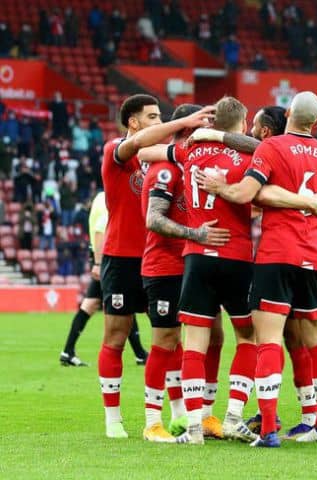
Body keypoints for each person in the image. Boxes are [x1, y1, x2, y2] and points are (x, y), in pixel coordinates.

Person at [149, 96, 317, 445]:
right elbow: (267, 153)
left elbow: (144, 153)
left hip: (197, 256)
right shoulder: (252, 154)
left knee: (195, 345)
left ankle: (194, 428)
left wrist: (204, 137)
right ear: (244, 124)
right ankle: (233, 415)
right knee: (249, 337)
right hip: (238, 257)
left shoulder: (187, 151)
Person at [198, 91, 317, 447]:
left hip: (277, 254)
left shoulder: (272, 147)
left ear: (288, 112)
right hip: (314, 256)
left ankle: (268, 431)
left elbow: (246, 193)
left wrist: (221, 186)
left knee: (268, 340)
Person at [98, 93, 213, 439]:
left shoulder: (165, 159)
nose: (158, 122)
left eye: (161, 116)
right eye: (152, 117)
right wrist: (182, 122)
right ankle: (113, 418)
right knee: (116, 336)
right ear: (133, 122)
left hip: (163, 260)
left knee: (171, 337)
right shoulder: (116, 152)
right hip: (122, 257)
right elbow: (136, 144)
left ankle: (177, 412)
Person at [138, 104, 231, 443]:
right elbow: (153, 220)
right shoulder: (166, 169)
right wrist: (197, 234)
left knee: (215, 336)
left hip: (196, 265)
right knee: (165, 341)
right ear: (189, 132)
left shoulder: (198, 167)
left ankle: (205, 415)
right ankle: (151, 422)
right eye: (203, 131)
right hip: (165, 267)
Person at [59, 191, 148, 367]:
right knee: (123, 303)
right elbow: (101, 229)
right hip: (109, 260)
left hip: (102, 257)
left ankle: (68, 351)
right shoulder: (113, 198)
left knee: (92, 304)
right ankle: (140, 354)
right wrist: (99, 264)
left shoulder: (99, 197)